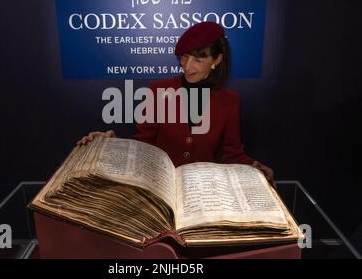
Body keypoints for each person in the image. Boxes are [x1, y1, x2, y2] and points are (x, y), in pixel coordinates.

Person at [77, 21, 275, 187]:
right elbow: (143, 144)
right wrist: (112, 144)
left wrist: (255, 166)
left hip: (200, 192)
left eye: (198, 58)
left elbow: (232, 156)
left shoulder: (229, 101)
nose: (188, 67)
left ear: (217, 59)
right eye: (185, 57)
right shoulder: (159, 90)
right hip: (157, 188)